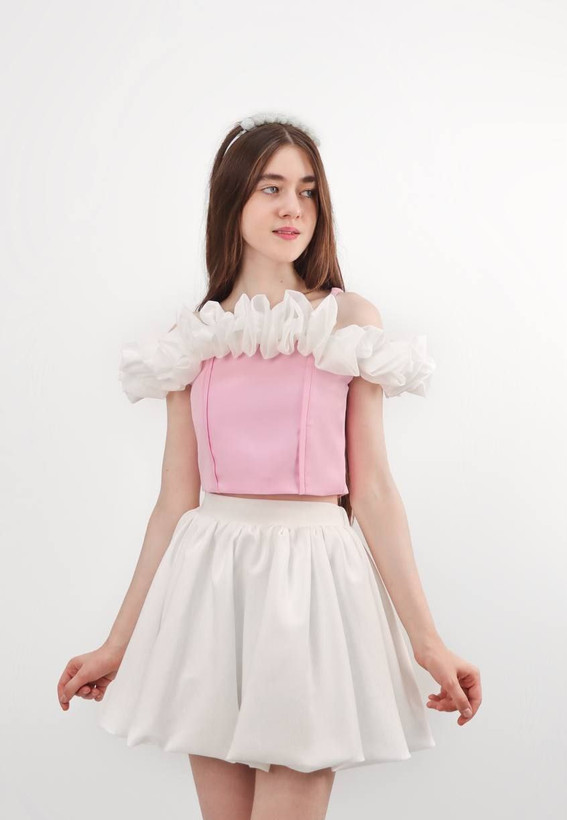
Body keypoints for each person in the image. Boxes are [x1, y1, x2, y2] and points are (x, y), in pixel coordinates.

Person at [57, 112, 482, 820]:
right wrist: (117, 643)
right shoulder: (192, 338)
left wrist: (427, 642)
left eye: (308, 191)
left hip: (312, 582)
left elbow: (374, 491)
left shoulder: (348, 322)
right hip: (209, 584)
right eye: (271, 188)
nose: (293, 208)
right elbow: (174, 501)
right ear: (233, 200)